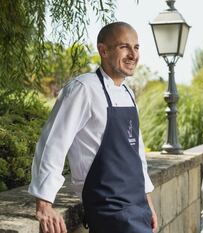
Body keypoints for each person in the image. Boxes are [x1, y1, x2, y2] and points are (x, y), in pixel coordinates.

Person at [28, 22, 158, 233]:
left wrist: (147, 200)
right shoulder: (83, 88)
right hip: (109, 209)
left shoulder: (128, 93)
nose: (133, 54)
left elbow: (137, 153)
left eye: (136, 47)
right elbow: (53, 144)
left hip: (137, 208)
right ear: (103, 50)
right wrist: (44, 203)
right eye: (124, 47)